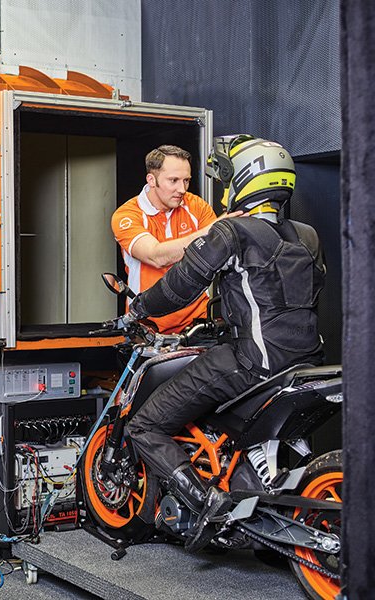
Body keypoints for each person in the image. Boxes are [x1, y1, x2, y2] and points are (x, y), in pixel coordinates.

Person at [122, 136, 325, 552]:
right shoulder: (307, 234)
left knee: (143, 425)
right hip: (307, 362)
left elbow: (179, 284)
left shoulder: (231, 230)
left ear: (244, 180)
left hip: (253, 362)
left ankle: (206, 502)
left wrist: (137, 309)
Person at [111, 145, 240, 333]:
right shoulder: (127, 215)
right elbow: (156, 256)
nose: (182, 189)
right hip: (149, 326)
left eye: (186, 180)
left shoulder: (196, 206)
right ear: (151, 180)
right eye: (173, 180)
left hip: (198, 323)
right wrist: (214, 230)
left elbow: (219, 252)